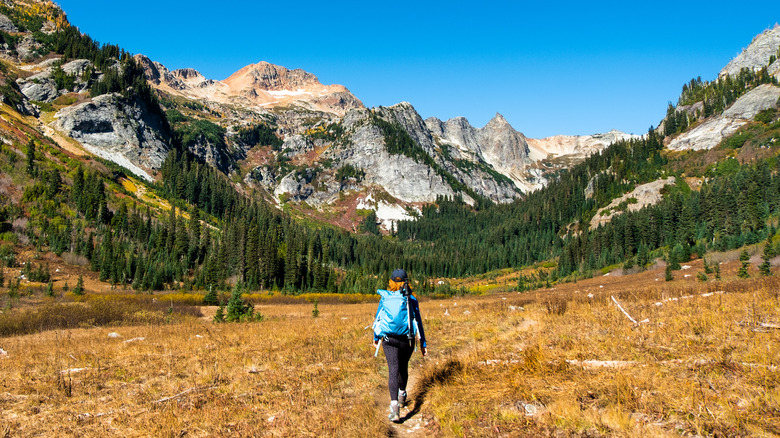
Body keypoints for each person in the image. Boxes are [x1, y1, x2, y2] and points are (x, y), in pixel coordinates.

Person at [372, 268, 427, 422]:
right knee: (403, 367)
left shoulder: (385, 298)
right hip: (407, 339)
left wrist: (376, 337)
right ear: (406, 281)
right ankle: (402, 394)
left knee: (393, 370)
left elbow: (378, 318)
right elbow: (418, 321)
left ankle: (394, 408)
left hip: (389, 339)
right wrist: (423, 343)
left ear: (391, 282)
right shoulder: (411, 298)